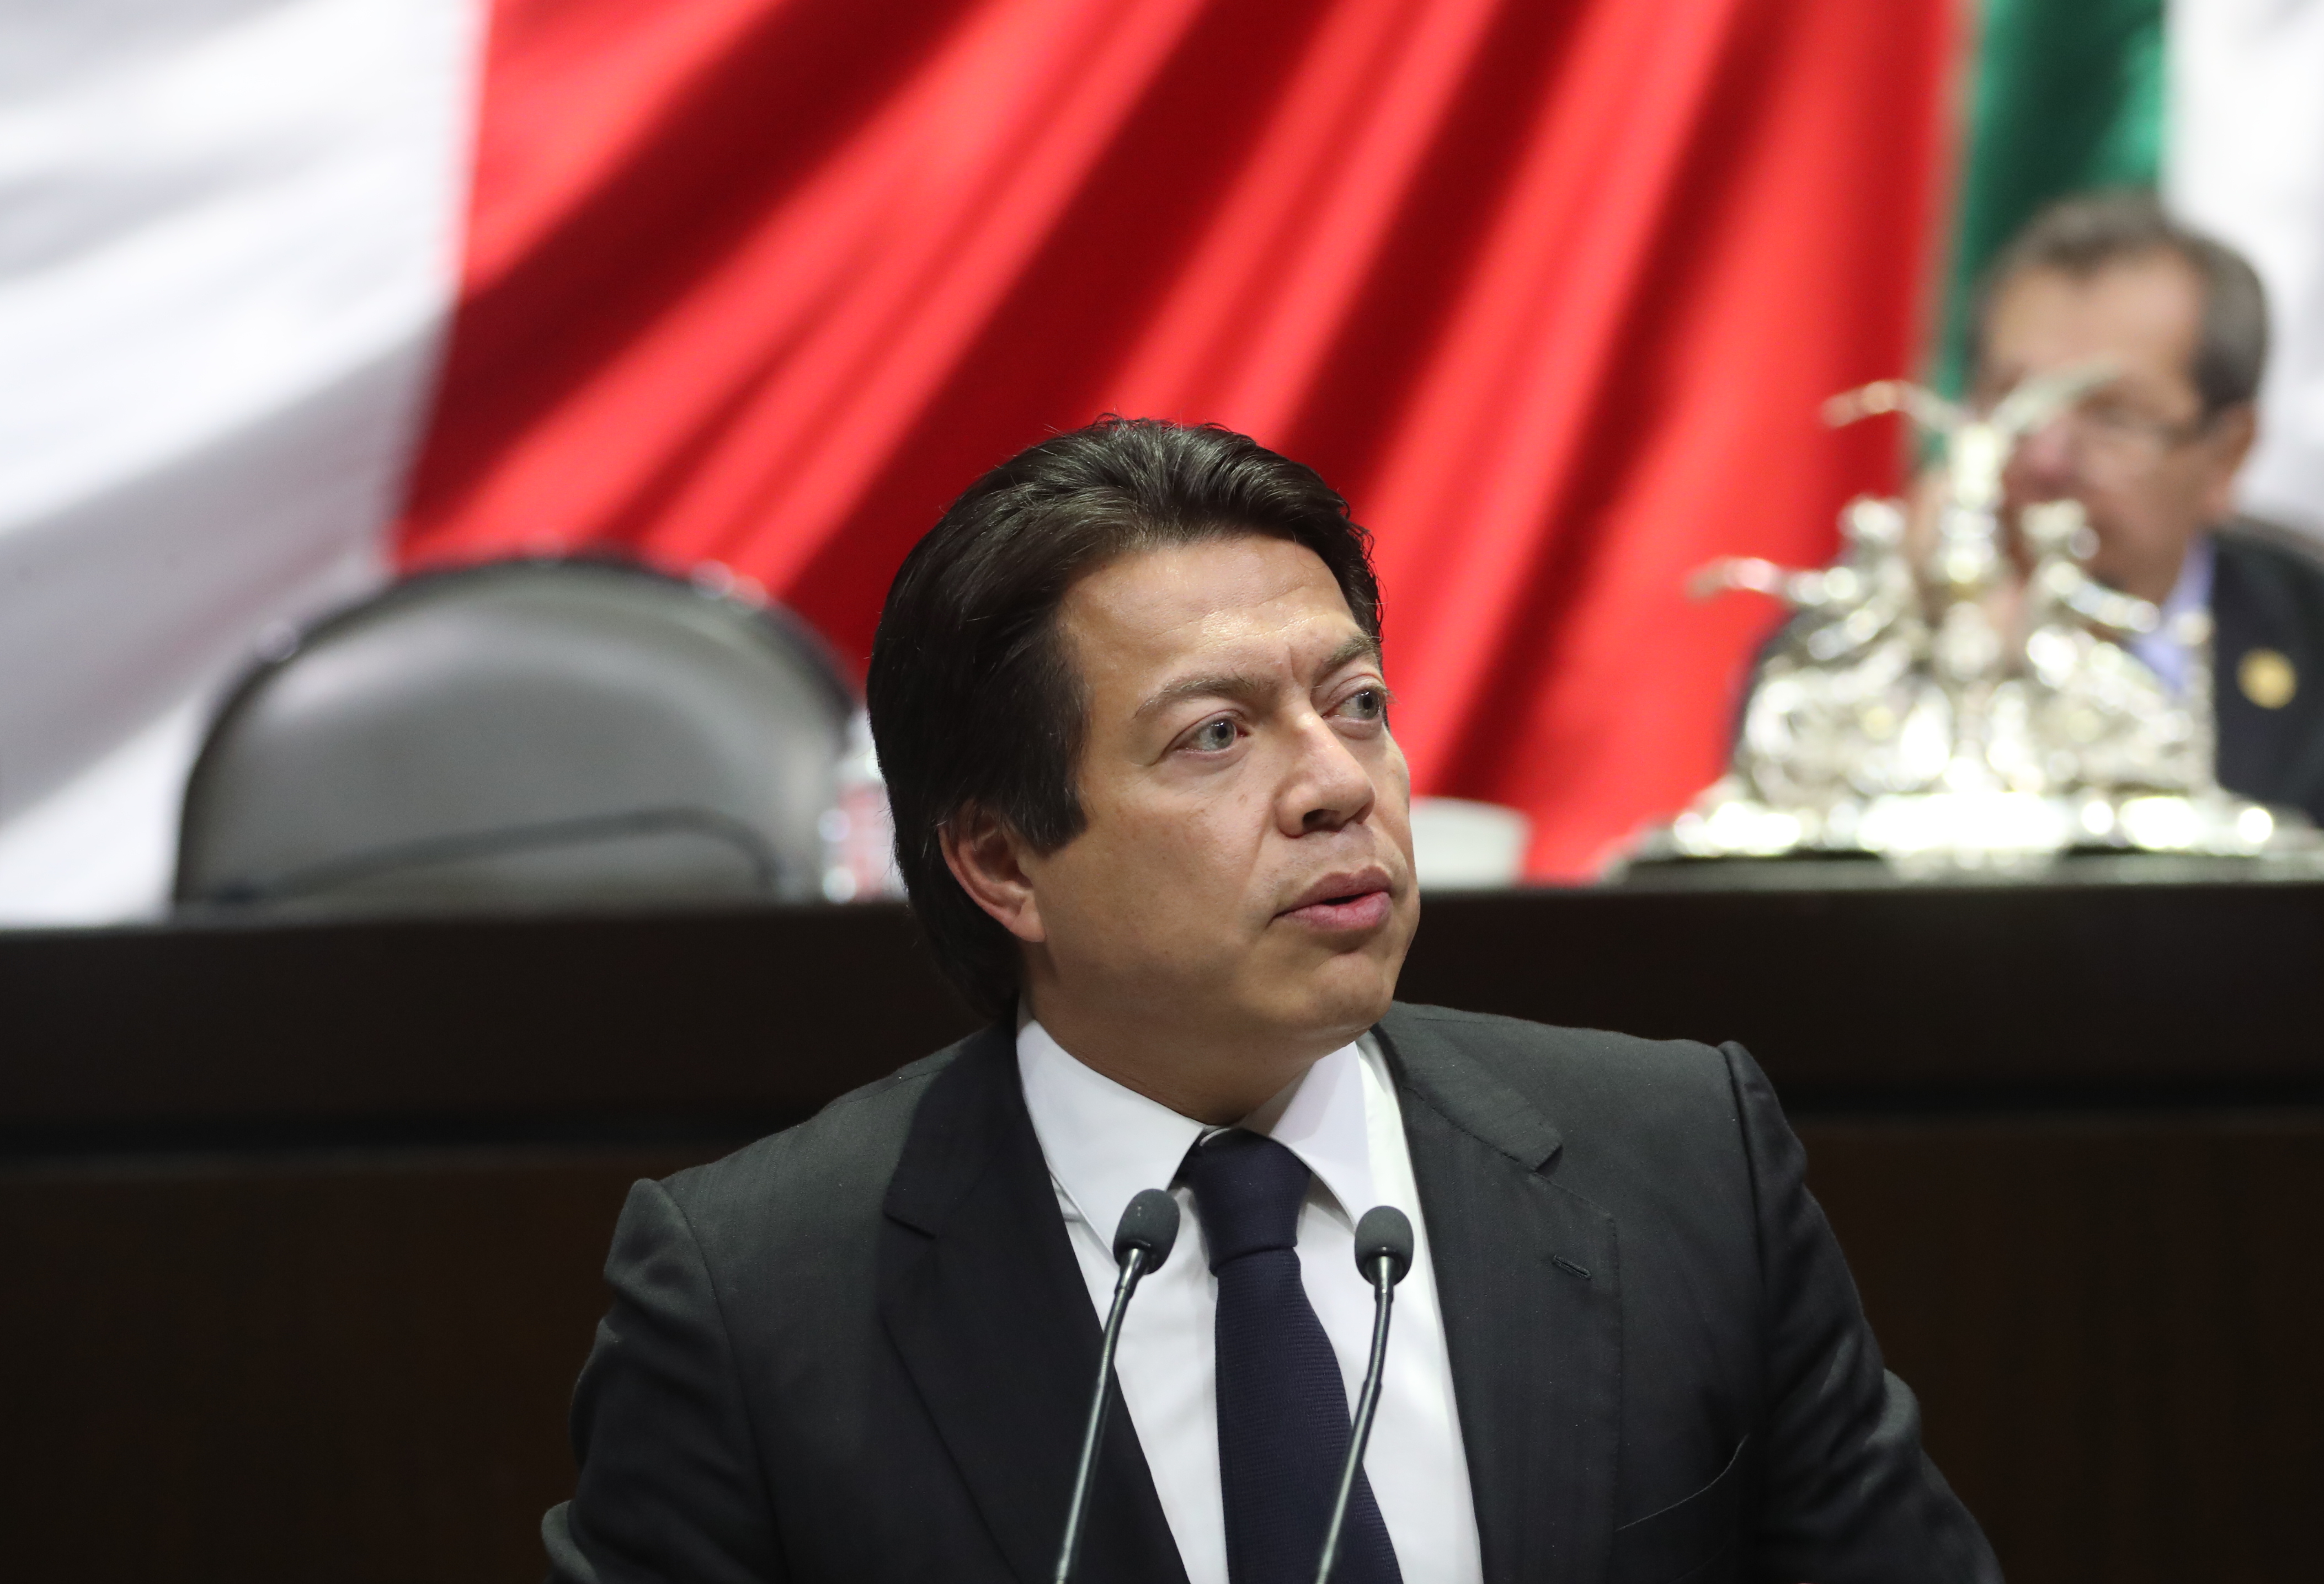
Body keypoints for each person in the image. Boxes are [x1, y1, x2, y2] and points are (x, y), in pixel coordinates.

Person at [541, 419, 1999, 1583]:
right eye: (1217, 735)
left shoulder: (1682, 1161)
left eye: (1357, 703)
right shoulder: (758, 1296)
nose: (1337, 783)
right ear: (1003, 862)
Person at [1968, 192, 2324, 847]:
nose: (2046, 458)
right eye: (2015, 403)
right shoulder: (1865, 644)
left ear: (2227, 455)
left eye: (2113, 416)